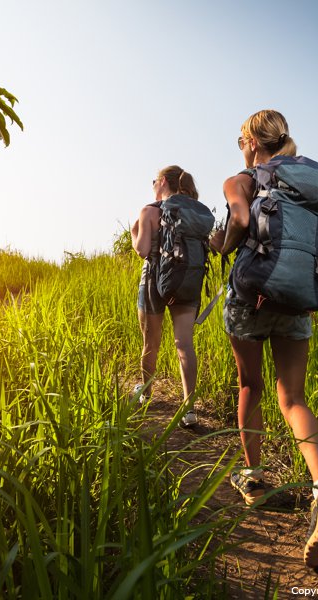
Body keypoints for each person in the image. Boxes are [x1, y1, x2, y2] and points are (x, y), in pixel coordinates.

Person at [209, 110, 318, 568]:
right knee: (294, 399)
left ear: (251, 140)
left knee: (251, 386)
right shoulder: (306, 186)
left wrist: (220, 243)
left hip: (251, 298)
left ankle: (253, 479)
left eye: (240, 140)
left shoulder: (242, 179)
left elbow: (240, 221)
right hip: (297, 300)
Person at [130, 165, 214, 428]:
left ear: (163, 181)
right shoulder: (192, 212)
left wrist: (134, 234)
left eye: (154, 180)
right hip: (187, 279)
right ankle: (189, 410)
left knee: (150, 342)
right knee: (184, 344)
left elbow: (143, 250)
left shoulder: (150, 210)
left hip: (155, 279)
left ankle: (146, 392)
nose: (153, 184)